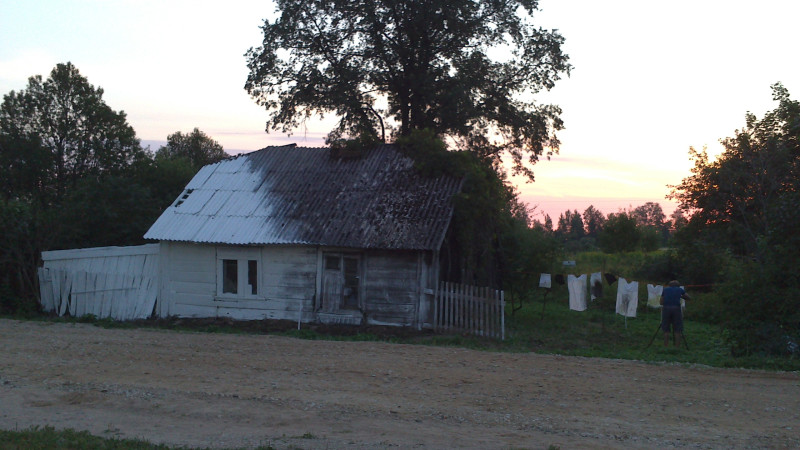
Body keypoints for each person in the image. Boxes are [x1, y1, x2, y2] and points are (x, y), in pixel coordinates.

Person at [660, 280, 690, 347]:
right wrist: (681, 296)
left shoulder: (665, 290)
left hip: (666, 309)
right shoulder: (680, 289)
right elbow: (688, 297)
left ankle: (665, 346)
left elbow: (661, 302)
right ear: (678, 285)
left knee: (666, 329)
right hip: (676, 309)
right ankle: (677, 347)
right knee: (677, 329)